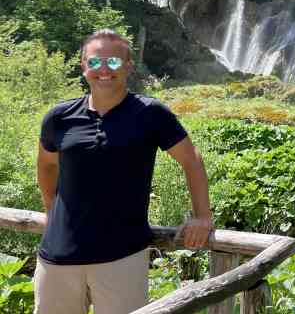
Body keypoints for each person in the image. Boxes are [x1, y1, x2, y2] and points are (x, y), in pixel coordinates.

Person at [34, 29, 214, 314]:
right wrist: (50, 208)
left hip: (122, 258)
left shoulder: (151, 113)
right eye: (94, 62)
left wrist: (202, 215)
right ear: (83, 66)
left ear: (129, 66)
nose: (104, 70)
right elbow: (46, 164)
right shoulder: (60, 117)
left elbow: (192, 159)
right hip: (57, 259)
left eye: (114, 62)